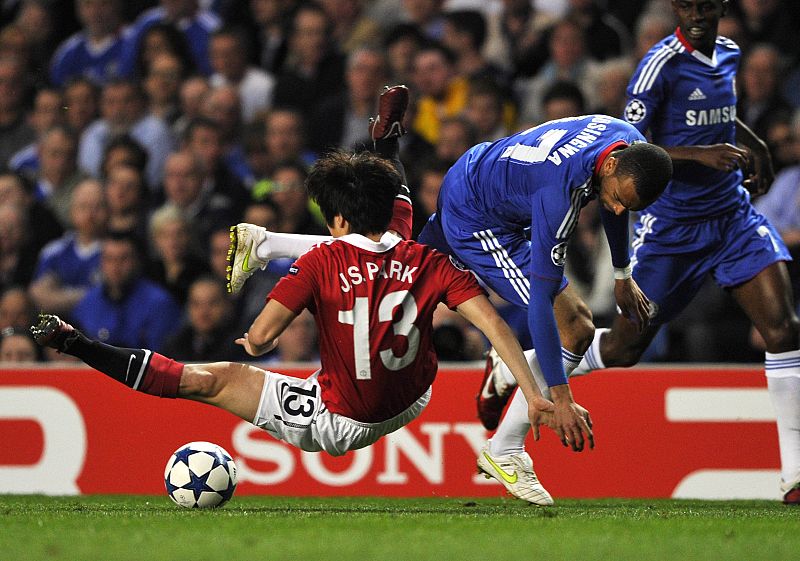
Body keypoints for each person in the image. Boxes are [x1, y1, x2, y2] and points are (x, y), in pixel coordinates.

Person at [30, 145, 563, 502]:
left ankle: (76, 344)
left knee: (206, 381)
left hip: (340, 417)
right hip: (415, 393)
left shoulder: (319, 262)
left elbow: (261, 340)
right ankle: (266, 242)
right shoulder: (427, 258)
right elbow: (494, 324)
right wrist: (533, 392)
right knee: (395, 244)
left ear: (337, 219)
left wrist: (274, 317)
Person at [226, 86, 613, 504]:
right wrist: (548, 395)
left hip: (467, 187)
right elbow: (499, 321)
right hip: (469, 233)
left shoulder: (358, 246)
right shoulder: (420, 251)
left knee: (384, 249)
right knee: (571, 325)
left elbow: (262, 336)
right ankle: (506, 448)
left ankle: (267, 243)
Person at [481, 0, 800, 506]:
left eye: (705, 6)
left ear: (721, 7)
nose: (696, 15)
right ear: (676, 8)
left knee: (783, 331)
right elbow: (632, 149)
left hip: (732, 216)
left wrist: (751, 140)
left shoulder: (730, 52)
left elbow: (719, 117)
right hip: (672, 227)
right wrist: (700, 155)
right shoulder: (658, 66)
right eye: (687, 6)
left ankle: (794, 477)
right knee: (625, 349)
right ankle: (523, 366)